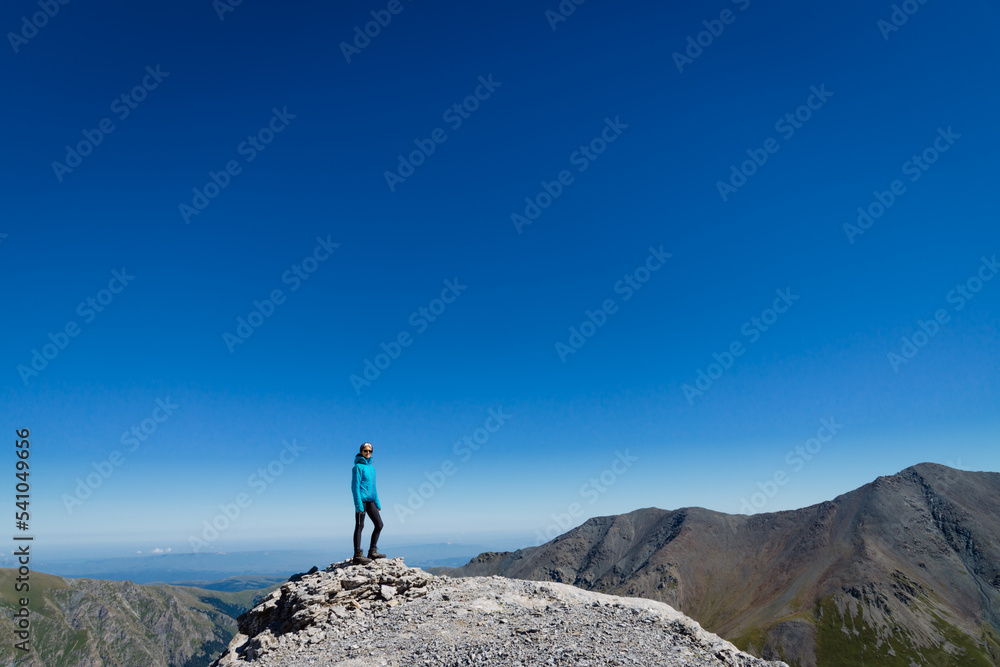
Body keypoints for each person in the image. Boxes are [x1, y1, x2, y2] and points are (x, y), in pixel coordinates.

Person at [351, 442, 385, 564]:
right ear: (361, 451)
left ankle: (372, 551)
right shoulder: (357, 467)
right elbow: (355, 487)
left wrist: (378, 503)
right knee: (360, 526)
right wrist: (358, 505)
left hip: (371, 501)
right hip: (362, 501)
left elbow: (373, 487)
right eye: (365, 451)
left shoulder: (372, 468)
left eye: (370, 451)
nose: (368, 453)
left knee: (379, 524)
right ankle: (357, 555)